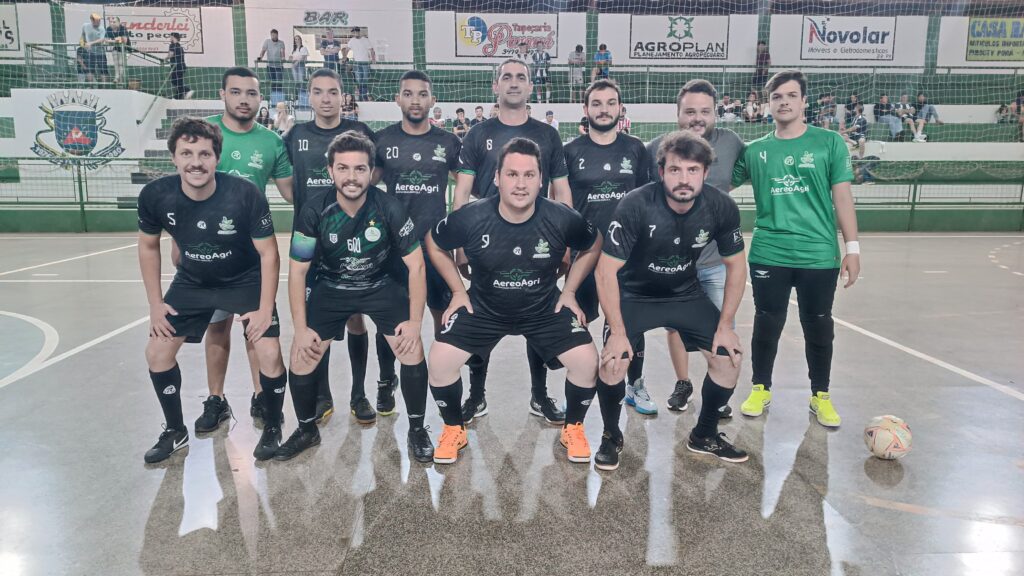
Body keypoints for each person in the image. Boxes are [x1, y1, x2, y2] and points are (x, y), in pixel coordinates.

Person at [426, 137, 603, 465]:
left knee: (586, 361)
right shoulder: (472, 217)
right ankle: (454, 428)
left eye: (529, 175)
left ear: (541, 180)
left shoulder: (561, 217)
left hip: (543, 308)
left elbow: (593, 243)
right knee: (439, 360)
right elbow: (434, 243)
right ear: (497, 177)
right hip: (484, 308)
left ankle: (573, 427)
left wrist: (569, 292)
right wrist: (458, 291)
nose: (520, 184)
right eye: (512, 174)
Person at [137, 117, 287, 464]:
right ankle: (175, 430)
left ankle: (274, 424)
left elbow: (269, 254)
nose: (195, 162)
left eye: (204, 153)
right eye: (186, 153)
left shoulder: (244, 194)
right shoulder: (156, 195)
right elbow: (147, 247)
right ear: (173, 157)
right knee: (157, 353)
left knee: (269, 352)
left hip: (244, 277)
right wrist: (156, 304)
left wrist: (265, 309)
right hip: (193, 282)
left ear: (217, 158)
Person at [597, 131, 749, 468]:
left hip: (685, 293)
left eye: (692, 170)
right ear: (661, 171)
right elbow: (606, 272)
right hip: (634, 295)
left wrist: (725, 326)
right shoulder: (636, 204)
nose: (684, 179)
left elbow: (737, 266)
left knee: (729, 358)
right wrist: (618, 332)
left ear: (706, 173)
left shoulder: (721, 206)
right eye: (675, 170)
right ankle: (611, 436)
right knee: (613, 362)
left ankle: (705, 434)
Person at [280, 130, 432, 461]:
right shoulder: (313, 210)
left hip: (380, 284)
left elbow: (417, 268)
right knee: (301, 355)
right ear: (330, 171)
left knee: (411, 348)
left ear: (371, 171)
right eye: (344, 168)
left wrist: (415, 322)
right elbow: (298, 271)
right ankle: (307, 429)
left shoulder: (389, 208)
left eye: (360, 169)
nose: (352, 176)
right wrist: (301, 328)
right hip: (332, 287)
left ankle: (417, 429)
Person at [732, 70, 861, 429]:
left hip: (818, 254)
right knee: (766, 323)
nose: (784, 102)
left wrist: (852, 247)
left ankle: (820, 395)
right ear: (767, 104)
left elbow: (843, 198)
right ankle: (760, 387)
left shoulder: (829, 143)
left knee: (818, 326)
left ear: (804, 102)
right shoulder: (755, 151)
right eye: (777, 97)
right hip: (769, 252)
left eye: (791, 96)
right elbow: (718, 184)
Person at [452, 58, 572, 425]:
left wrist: (566, 241)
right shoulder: (476, 134)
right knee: (482, 313)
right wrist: (458, 243)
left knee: (538, 314)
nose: (514, 82)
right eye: (507, 77)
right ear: (495, 87)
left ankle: (540, 395)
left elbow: (562, 190)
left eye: (521, 77)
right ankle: (476, 395)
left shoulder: (548, 135)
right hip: (487, 242)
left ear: (531, 87)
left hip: (539, 242)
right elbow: (462, 191)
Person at [191, 67, 293, 434]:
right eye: (236, 92)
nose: (244, 99)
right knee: (216, 329)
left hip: (251, 255)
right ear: (223, 95)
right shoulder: (203, 133)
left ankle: (260, 396)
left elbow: (291, 192)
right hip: (208, 254)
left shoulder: (272, 142)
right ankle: (216, 399)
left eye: (251, 93)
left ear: (260, 98)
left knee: (257, 329)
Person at [643, 79, 745, 418]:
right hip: (672, 262)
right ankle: (683, 383)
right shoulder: (657, 147)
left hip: (715, 261)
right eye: (690, 112)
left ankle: (718, 390)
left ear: (715, 113)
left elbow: (736, 179)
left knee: (717, 327)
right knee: (674, 325)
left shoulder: (731, 144)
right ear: (678, 114)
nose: (697, 118)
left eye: (704, 111)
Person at [283, 67, 377, 426]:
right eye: (319, 92)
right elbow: (287, 183)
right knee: (313, 322)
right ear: (310, 97)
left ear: (343, 97)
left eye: (333, 92)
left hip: (354, 244)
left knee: (355, 318)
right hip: (312, 242)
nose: (326, 98)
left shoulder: (361, 133)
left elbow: (374, 176)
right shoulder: (296, 135)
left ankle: (359, 393)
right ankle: (322, 395)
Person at [563, 80, 650, 465]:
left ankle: (635, 385)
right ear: (586, 109)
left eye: (610, 102)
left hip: (627, 258)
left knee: (628, 330)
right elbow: (560, 204)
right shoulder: (569, 151)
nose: (603, 109)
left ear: (620, 108)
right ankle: (572, 401)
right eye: (596, 103)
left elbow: (650, 200)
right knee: (573, 327)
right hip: (582, 255)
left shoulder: (636, 150)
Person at [370, 71, 462, 408]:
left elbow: (467, 185)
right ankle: (385, 379)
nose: (415, 100)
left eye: (422, 94)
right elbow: (365, 187)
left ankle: (443, 377)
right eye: (408, 94)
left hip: (436, 249)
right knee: (392, 321)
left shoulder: (449, 142)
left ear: (432, 101)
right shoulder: (381, 141)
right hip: (395, 250)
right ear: (398, 99)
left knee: (443, 318)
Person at [348, 27, 375, 101]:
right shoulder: (352, 41)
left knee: (365, 80)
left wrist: (373, 59)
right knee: (359, 80)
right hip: (356, 63)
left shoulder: (365, 40)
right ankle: (360, 97)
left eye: (356, 32)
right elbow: (347, 49)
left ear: (359, 32)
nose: (355, 33)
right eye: (353, 32)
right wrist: (344, 57)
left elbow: (371, 49)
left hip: (365, 63)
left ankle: (364, 96)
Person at [80, 13, 108, 83]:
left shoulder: (101, 28)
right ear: (92, 20)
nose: (98, 22)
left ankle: (105, 87)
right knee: (90, 70)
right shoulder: (85, 26)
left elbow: (102, 39)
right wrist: (82, 43)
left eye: (99, 21)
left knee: (103, 70)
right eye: (96, 21)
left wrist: (91, 43)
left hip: (100, 53)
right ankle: (91, 86)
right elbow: (83, 35)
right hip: (90, 52)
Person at [257, 29, 286, 94]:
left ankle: (279, 99)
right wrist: (260, 57)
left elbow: (282, 52)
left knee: (279, 83)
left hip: (279, 67)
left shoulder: (281, 43)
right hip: (270, 66)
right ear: (271, 35)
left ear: (277, 35)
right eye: (272, 35)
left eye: (275, 35)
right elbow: (263, 50)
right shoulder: (267, 41)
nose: (273, 36)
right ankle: (273, 99)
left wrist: (283, 58)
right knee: (272, 83)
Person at [105, 16, 130, 86]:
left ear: (119, 22)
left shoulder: (123, 28)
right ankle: (117, 77)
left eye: (114, 22)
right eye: (111, 22)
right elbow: (106, 41)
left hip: (126, 49)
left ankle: (122, 80)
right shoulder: (109, 29)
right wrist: (116, 40)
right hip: (116, 48)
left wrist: (112, 41)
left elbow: (124, 41)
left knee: (121, 64)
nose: (112, 23)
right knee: (116, 64)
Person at [166, 33, 192, 100]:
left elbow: (171, 54)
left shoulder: (172, 45)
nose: (170, 38)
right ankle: (177, 97)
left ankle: (187, 90)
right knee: (179, 82)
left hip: (176, 67)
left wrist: (164, 59)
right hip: (182, 67)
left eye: (171, 37)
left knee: (174, 81)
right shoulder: (180, 46)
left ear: (173, 37)